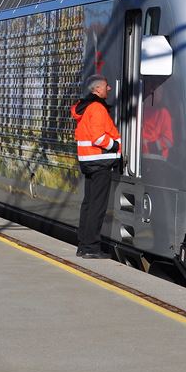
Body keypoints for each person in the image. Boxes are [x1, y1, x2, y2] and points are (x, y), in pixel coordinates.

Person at [70, 74, 121, 259]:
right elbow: (98, 137)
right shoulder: (97, 108)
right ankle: (91, 248)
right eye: (107, 86)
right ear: (97, 89)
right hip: (100, 161)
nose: (109, 89)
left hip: (88, 161)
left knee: (88, 204)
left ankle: (83, 245)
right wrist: (115, 146)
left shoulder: (84, 108)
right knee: (97, 206)